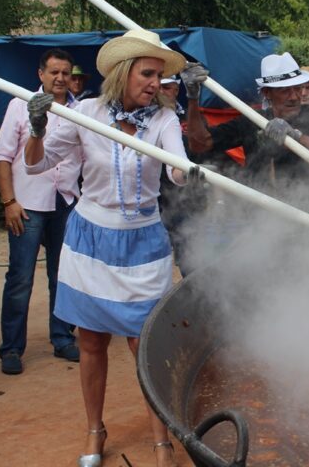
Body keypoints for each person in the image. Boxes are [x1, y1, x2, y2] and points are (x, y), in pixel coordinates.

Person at [24, 28, 190, 467]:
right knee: (92, 343)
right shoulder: (86, 113)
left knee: (146, 345)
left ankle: (162, 440)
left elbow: (176, 168)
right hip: (90, 239)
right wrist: (38, 127)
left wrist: (188, 172)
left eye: (160, 75)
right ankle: (94, 430)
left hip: (143, 244)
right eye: (148, 73)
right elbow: (36, 163)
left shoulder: (163, 120)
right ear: (123, 72)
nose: (156, 83)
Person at [0, 48, 82, 375]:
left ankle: (62, 337)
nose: (60, 79)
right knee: (20, 277)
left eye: (65, 73)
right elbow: (2, 156)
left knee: (63, 275)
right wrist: (8, 201)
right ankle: (12, 348)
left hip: (66, 202)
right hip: (27, 204)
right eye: (53, 72)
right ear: (40, 74)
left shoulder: (81, 111)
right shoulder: (20, 105)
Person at [186, 52, 309, 205]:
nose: (294, 96)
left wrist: (297, 137)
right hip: (262, 219)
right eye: (285, 90)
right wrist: (193, 97)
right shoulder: (252, 120)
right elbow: (200, 144)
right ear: (267, 93)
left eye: (297, 88)